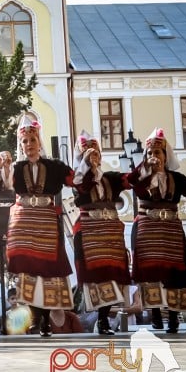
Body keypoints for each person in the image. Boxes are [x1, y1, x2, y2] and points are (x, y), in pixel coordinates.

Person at [128, 128, 186, 333]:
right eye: (150, 153)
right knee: (149, 272)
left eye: (158, 153)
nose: (154, 157)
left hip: (171, 228)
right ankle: (154, 314)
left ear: (165, 155)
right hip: (148, 227)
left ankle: (172, 317)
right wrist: (145, 168)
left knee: (175, 271)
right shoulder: (141, 177)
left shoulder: (176, 178)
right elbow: (131, 182)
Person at [2, 116, 75, 338]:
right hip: (24, 223)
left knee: (47, 273)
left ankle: (45, 321)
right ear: (20, 144)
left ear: (39, 141)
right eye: (24, 141)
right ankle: (39, 320)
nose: (29, 145)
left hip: (45, 221)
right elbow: (3, 184)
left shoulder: (53, 166)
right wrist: (3, 166)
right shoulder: (16, 167)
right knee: (29, 274)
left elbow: (74, 179)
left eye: (32, 140)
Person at [71, 131, 132, 335]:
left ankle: (104, 317)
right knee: (95, 277)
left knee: (113, 276)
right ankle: (101, 318)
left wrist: (145, 167)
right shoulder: (78, 179)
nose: (93, 154)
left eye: (96, 151)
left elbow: (129, 180)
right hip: (89, 230)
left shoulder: (110, 178)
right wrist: (87, 165)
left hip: (110, 231)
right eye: (88, 152)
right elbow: (83, 188)